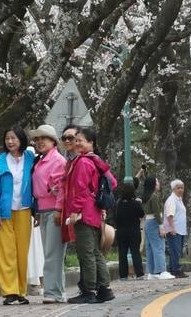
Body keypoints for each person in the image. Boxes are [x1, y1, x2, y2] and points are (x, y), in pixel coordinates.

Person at [61, 127, 117, 303]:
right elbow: (112, 183)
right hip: (94, 213)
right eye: (76, 140)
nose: (77, 143)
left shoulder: (83, 162)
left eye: (80, 140)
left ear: (91, 143)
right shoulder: (95, 161)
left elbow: (80, 189)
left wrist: (76, 211)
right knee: (95, 252)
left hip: (83, 214)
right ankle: (104, 289)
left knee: (86, 253)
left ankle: (89, 291)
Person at [0, 127, 34, 305]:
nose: (10, 141)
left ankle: (21, 291)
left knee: (22, 252)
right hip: (3, 213)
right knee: (5, 252)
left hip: (24, 210)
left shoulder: (30, 159)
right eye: (7, 138)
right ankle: (9, 292)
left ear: (21, 139)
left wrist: (35, 209)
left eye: (13, 138)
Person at [28, 126, 66, 303]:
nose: (40, 141)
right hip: (43, 211)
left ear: (53, 141)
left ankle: (52, 292)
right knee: (51, 253)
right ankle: (57, 291)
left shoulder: (57, 160)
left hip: (54, 211)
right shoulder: (40, 160)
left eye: (45, 138)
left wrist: (58, 209)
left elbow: (62, 188)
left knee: (52, 254)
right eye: (37, 139)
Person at [112, 181, 145, 280]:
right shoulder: (136, 203)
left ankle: (123, 275)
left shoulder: (118, 203)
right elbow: (141, 214)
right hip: (134, 230)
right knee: (135, 252)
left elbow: (116, 217)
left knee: (122, 253)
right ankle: (139, 274)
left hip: (121, 231)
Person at [139, 171, 168, 279]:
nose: (158, 184)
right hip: (155, 222)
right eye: (157, 182)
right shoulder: (154, 196)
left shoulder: (145, 197)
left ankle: (151, 272)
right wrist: (161, 226)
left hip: (148, 222)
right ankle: (161, 270)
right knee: (159, 246)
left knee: (150, 248)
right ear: (153, 185)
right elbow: (157, 213)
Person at [162, 180, 188, 279]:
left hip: (180, 230)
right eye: (178, 188)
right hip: (174, 230)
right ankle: (176, 270)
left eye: (182, 187)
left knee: (177, 251)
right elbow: (170, 215)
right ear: (173, 189)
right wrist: (172, 228)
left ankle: (174, 269)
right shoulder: (172, 200)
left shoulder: (179, 199)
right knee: (175, 251)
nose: (181, 190)